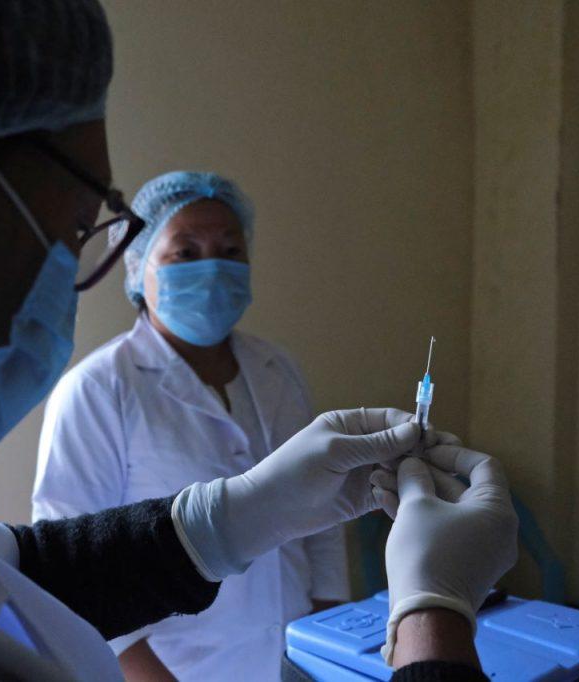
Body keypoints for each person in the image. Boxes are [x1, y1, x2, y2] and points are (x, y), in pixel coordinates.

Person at [0, 1, 517, 680]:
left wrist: (246, 510)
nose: (75, 271)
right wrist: (434, 618)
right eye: (77, 227)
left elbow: (10, 570)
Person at [33, 170, 350, 681]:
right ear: (138, 267)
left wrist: (330, 639)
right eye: (185, 253)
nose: (213, 269)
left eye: (230, 250)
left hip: (297, 661)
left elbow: (323, 514)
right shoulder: (97, 389)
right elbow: (75, 575)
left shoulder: (278, 370)